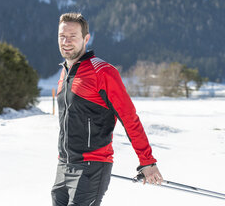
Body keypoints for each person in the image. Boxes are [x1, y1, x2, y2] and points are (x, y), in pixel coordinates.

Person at [51, 12, 163, 206]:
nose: (66, 41)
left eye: (72, 36)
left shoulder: (102, 72)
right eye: (62, 36)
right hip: (64, 166)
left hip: (91, 167)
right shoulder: (65, 73)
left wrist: (148, 162)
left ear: (86, 38)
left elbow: (129, 118)